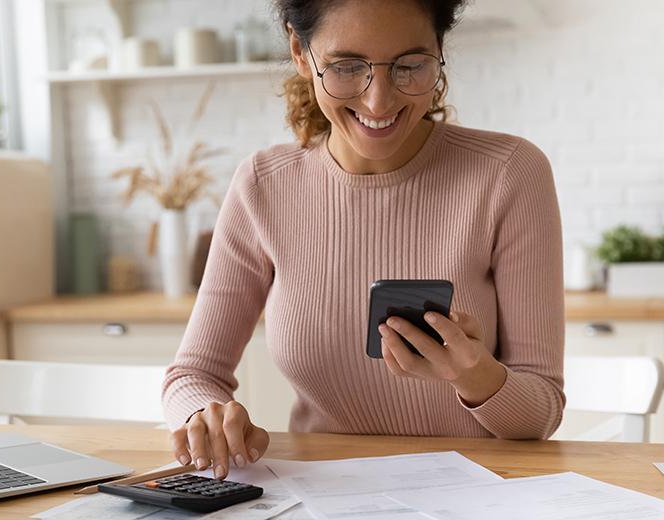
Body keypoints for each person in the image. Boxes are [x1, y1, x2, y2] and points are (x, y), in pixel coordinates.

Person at [162, 0, 565, 480]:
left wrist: (474, 373)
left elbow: (540, 413)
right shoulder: (263, 185)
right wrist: (203, 414)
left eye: (409, 65)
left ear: (439, 50)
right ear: (299, 50)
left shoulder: (508, 173)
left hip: (475, 491)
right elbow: (193, 375)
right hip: (319, 494)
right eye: (347, 67)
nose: (378, 102)